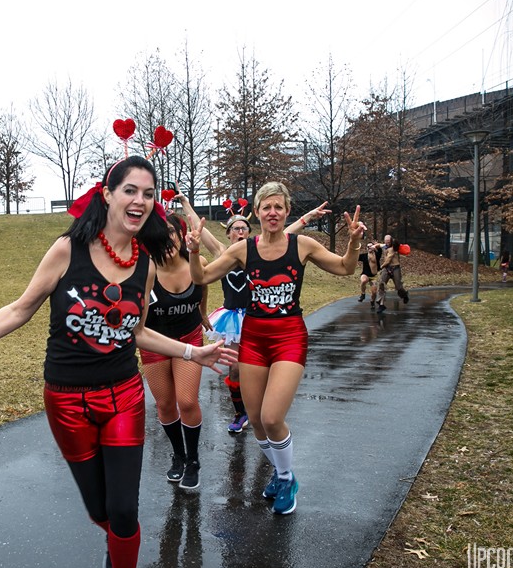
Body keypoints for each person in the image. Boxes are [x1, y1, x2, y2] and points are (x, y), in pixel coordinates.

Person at [0, 155, 236, 568]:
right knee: (101, 511)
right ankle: (116, 543)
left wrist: (192, 351)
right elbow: (20, 309)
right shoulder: (67, 250)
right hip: (67, 401)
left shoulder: (144, 263)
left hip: (122, 396)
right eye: (130, 190)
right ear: (108, 194)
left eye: (148, 193)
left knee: (124, 510)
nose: (139, 200)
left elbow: (137, 331)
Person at [185, 182, 366, 515]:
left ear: (287, 212)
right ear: (257, 212)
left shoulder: (302, 245)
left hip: (289, 338)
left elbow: (346, 267)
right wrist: (194, 252)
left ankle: (285, 478)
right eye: (266, 207)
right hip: (254, 339)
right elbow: (202, 277)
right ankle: (282, 473)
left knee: (271, 417)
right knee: (255, 420)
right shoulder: (243, 250)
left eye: (278, 207)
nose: (272, 212)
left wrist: (354, 242)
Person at [176, 196, 330, 435]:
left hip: (257, 317)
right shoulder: (222, 252)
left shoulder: (260, 250)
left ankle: (266, 408)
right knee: (235, 369)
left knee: (263, 371)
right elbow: (200, 230)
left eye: (244, 228)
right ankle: (241, 413)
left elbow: (288, 232)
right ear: (228, 233)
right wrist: (186, 204)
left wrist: (308, 217)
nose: (240, 232)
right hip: (232, 319)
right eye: (235, 229)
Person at [140, 214, 211, 490]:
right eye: (159, 234)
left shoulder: (196, 262)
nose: (166, 239)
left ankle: (193, 461)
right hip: (156, 343)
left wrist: (202, 312)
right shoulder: (145, 271)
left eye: (170, 232)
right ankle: (178, 455)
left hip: (189, 338)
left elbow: (203, 284)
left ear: (181, 235)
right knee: (165, 405)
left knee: (187, 402)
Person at [376, 234, 408, 314]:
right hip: (386, 269)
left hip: (395, 268)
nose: (387, 242)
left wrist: (381, 267)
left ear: (391, 241)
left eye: (388, 241)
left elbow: (388, 260)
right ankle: (381, 304)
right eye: (385, 241)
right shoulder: (385, 246)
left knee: (398, 287)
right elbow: (380, 245)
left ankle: (404, 295)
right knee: (381, 284)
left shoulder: (393, 248)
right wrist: (374, 246)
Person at [358, 241, 382, 309]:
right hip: (365, 274)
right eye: (368, 247)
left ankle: (372, 302)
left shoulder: (377, 255)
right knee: (363, 281)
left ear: (373, 247)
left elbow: (380, 248)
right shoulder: (364, 256)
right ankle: (363, 294)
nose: (369, 248)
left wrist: (376, 244)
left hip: (373, 276)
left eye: (371, 246)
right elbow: (354, 257)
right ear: (366, 248)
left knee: (374, 292)